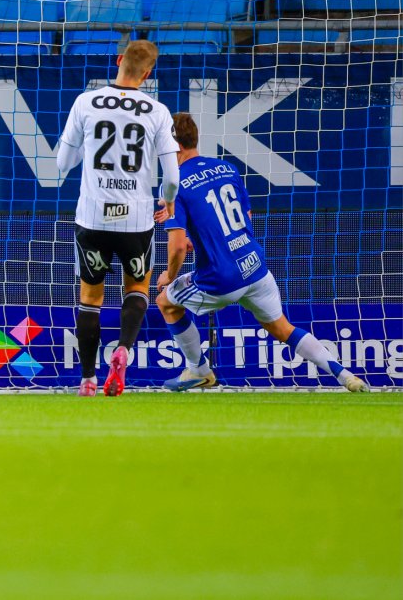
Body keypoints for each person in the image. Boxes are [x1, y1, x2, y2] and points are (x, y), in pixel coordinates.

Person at [156, 113, 368, 393]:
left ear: (175, 146)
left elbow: (178, 246)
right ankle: (345, 376)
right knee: (282, 328)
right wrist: (207, 239)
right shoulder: (227, 168)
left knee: (166, 302)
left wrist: (169, 276)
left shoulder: (175, 182)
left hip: (220, 277)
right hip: (255, 266)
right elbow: (245, 217)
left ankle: (199, 369)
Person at [56, 40, 180, 397]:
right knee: (136, 288)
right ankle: (123, 349)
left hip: (93, 216)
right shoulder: (157, 110)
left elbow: (62, 164)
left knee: (90, 298)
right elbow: (171, 178)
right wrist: (167, 203)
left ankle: (87, 379)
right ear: (148, 72)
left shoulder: (85, 102)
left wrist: (88, 146)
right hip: (136, 219)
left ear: (119, 60)